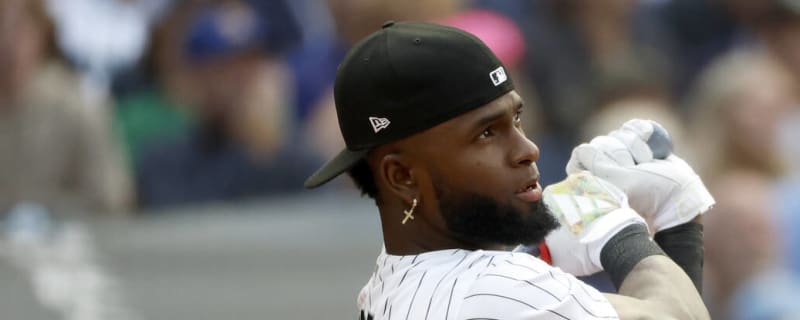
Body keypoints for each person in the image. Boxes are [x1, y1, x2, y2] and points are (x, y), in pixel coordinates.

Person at [304, 21, 712, 319]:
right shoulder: (494, 289)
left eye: (515, 120)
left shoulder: (390, 279)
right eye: (485, 134)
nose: (527, 149)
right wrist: (623, 228)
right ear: (402, 177)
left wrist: (537, 248)